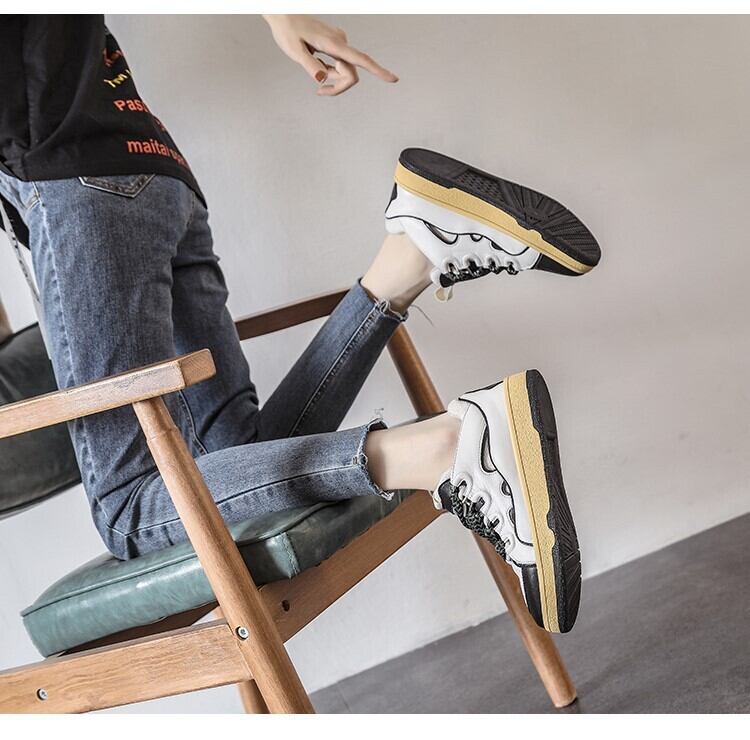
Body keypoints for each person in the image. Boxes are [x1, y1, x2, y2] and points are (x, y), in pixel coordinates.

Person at [0, 15, 600, 634]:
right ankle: (412, 255)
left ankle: (448, 449)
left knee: (129, 510)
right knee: (236, 459)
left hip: (67, 186)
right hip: (153, 172)